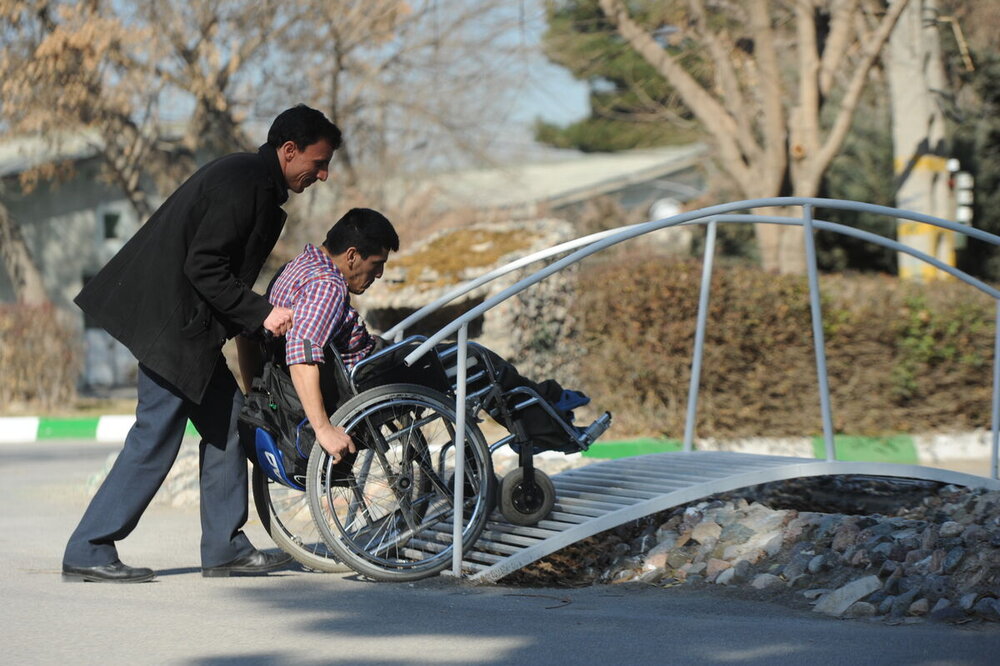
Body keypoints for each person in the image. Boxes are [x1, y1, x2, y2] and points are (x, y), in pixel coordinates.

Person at [62, 105, 342, 583]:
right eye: (317, 162)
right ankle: (89, 547)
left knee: (228, 423)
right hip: (173, 328)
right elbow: (205, 267)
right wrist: (263, 313)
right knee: (155, 436)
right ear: (289, 150)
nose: (323, 173)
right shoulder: (244, 182)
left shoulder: (252, 181)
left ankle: (225, 547)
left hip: (188, 328)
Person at [265, 208, 589, 466]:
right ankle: (552, 425)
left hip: (369, 367)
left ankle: (547, 407)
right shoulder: (327, 285)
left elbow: (259, 334)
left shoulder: (297, 267)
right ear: (351, 256)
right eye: (376, 264)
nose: (378, 275)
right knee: (477, 360)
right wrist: (323, 428)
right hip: (372, 381)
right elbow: (302, 352)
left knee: (459, 355)